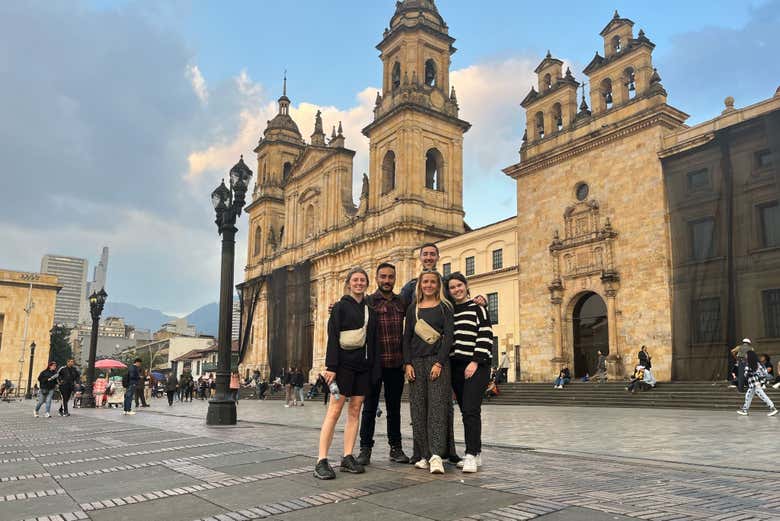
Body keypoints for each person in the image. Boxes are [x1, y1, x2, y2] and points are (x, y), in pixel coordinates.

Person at [314, 267, 379, 480]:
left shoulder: (371, 311)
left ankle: (347, 456)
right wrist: (331, 366)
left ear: (367, 284)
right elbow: (332, 337)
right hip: (342, 367)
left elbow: (373, 343)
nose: (359, 283)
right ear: (348, 283)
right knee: (334, 410)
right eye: (355, 280)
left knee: (355, 410)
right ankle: (321, 460)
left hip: (362, 367)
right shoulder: (340, 307)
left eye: (363, 280)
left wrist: (373, 369)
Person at [356, 263, 411, 466]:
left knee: (394, 408)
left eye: (390, 277)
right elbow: (351, 313)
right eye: (383, 277)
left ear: (395, 279)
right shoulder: (368, 301)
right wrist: (336, 309)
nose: (387, 280)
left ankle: (395, 448)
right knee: (369, 408)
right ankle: (365, 448)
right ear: (377, 278)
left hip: (396, 363)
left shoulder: (402, 302)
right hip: (373, 364)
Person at [403, 270, 454, 475]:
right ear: (420, 285)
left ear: (438, 285)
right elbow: (406, 338)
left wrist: (440, 363)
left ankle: (436, 456)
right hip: (416, 363)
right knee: (418, 409)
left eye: (433, 282)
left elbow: (449, 336)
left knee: (437, 409)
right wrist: (407, 364)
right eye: (426, 282)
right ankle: (423, 454)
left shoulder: (445, 307)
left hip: (437, 363)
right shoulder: (412, 309)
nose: (429, 285)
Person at [447, 272, 493, 473]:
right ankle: (477, 452)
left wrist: (475, 361)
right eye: (452, 287)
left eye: (459, 285)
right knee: (466, 410)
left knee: (471, 410)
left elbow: (485, 334)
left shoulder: (478, 308)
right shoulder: (449, 311)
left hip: (476, 365)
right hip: (456, 365)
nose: (456, 289)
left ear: (466, 286)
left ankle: (471, 454)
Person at [737, 351, 778, 416]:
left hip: (755, 383)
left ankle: (773, 408)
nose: (745, 356)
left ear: (750, 356)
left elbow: (762, 373)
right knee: (748, 396)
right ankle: (745, 410)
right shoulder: (752, 363)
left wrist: (753, 374)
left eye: (746, 355)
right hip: (752, 384)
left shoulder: (754, 364)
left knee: (762, 396)